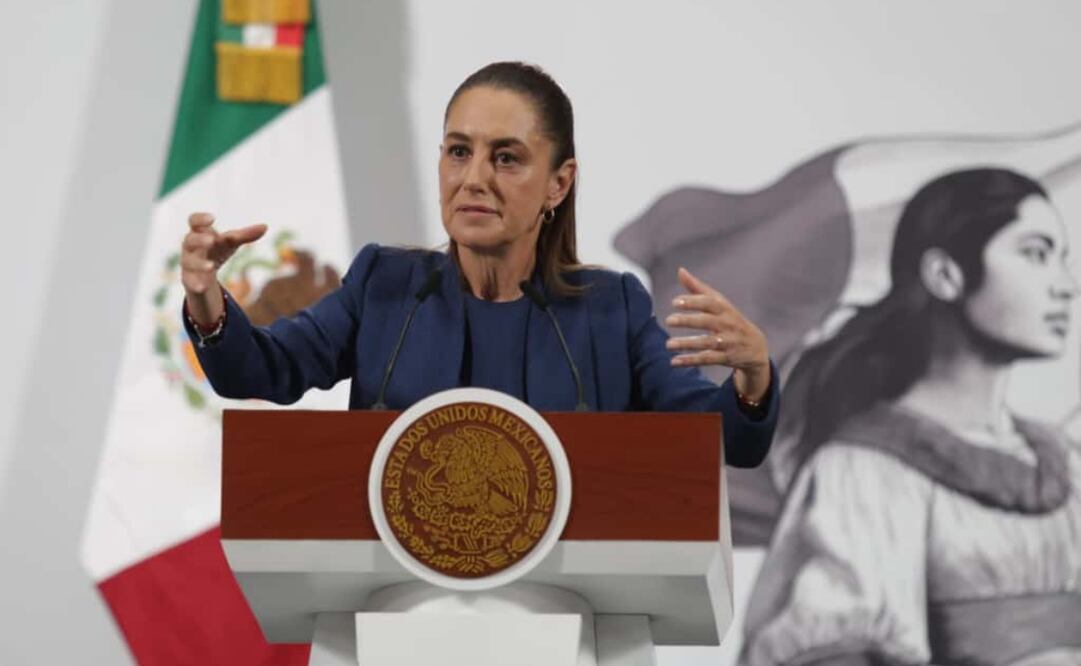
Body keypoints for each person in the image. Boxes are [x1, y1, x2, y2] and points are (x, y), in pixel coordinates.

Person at [180, 61, 778, 468]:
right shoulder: (383, 287)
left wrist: (752, 380)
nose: (473, 179)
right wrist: (208, 301)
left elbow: (717, 437)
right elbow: (259, 372)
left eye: (506, 158)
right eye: (459, 151)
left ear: (558, 183)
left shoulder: (610, 310)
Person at [741, 168, 1081, 665]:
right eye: (1035, 254)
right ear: (946, 275)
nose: (1066, 287)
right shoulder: (865, 472)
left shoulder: (1066, 463)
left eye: (1062, 260)